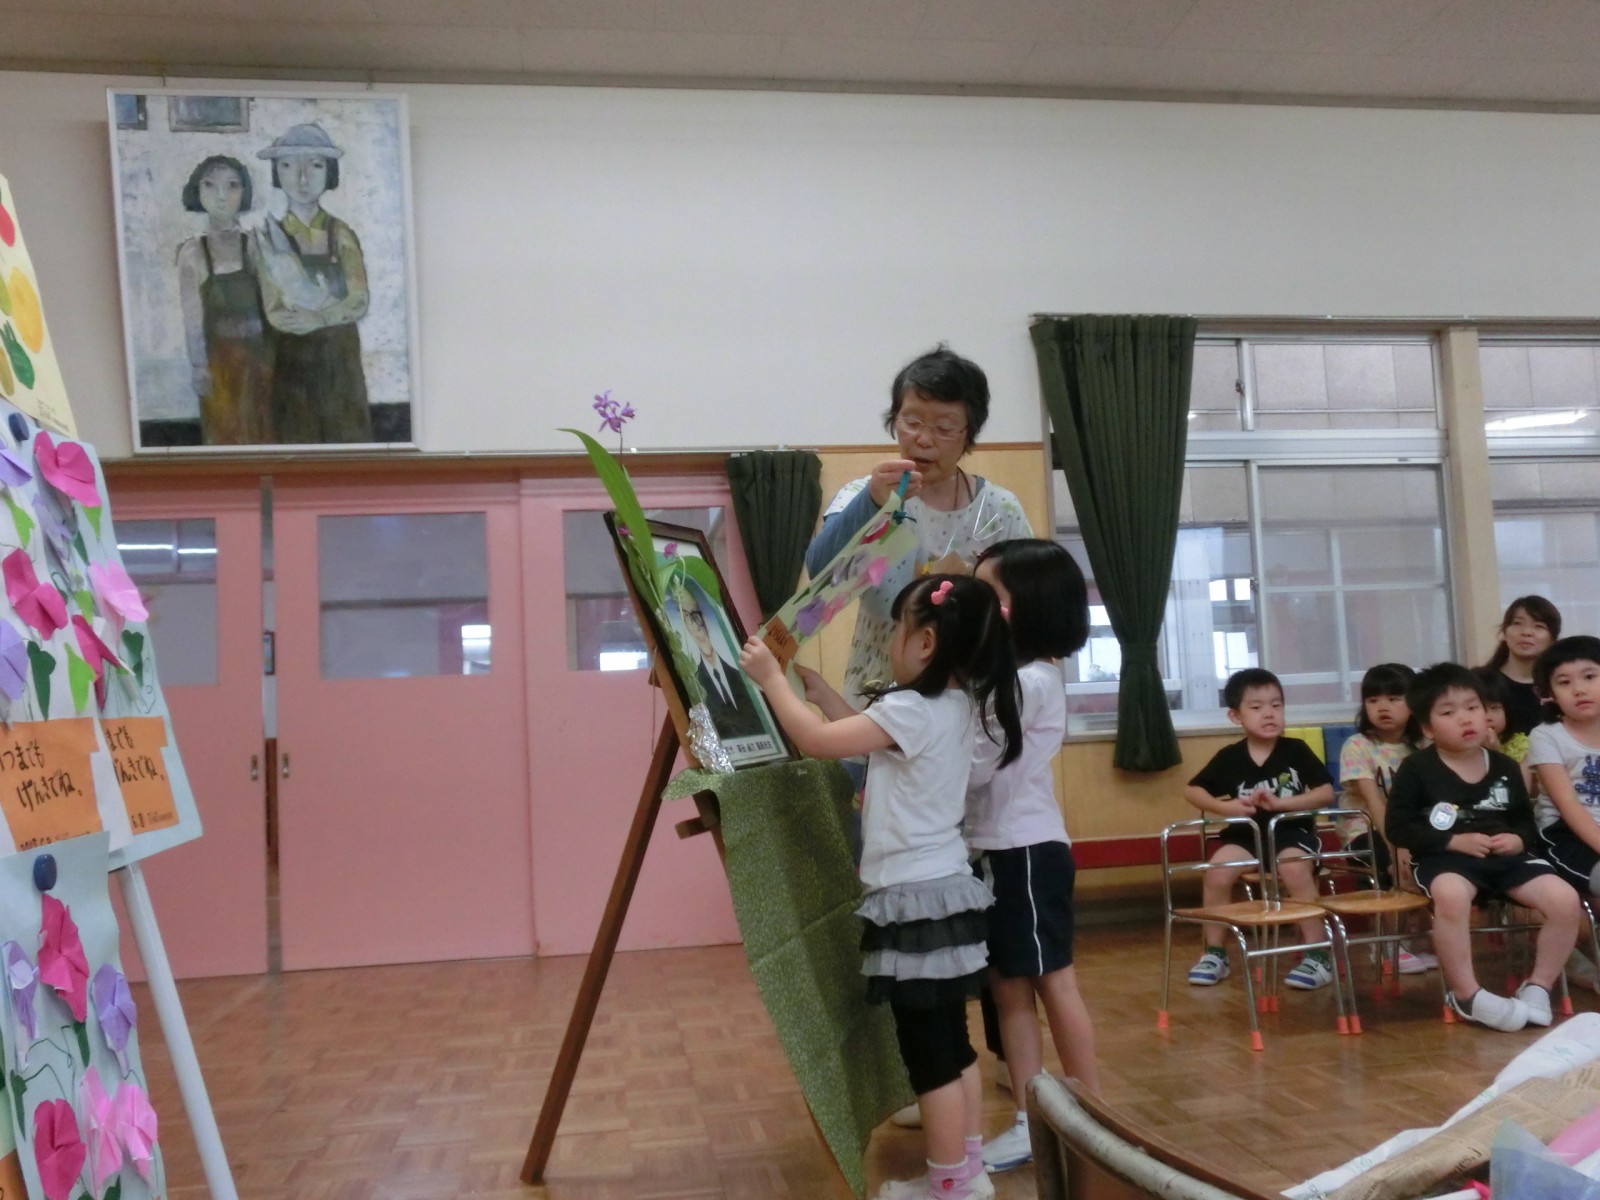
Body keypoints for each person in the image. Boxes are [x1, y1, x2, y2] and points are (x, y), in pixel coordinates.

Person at [740, 574, 1021, 1200]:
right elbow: (877, 744)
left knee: (930, 1059)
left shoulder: (911, 710)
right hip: (947, 896)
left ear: (925, 643)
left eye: (897, 628)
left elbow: (819, 744)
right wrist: (823, 696)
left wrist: (770, 681)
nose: (892, 640)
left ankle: (948, 1185)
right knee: (953, 1046)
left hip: (913, 903)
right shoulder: (953, 708)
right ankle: (967, 1171)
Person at [962, 540, 1098, 1175]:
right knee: (1008, 988)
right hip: (997, 848)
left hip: (1025, 852)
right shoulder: (1005, 678)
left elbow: (975, 766)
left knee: (1053, 983)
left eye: (986, 593)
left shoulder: (1030, 682)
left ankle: (1091, 1118)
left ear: (1024, 607)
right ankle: (1028, 1117)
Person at [805, 347, 1032, 711]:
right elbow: (820, 574)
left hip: (970, 706)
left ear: (968, 434)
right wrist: (872, 504)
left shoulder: (999, 509)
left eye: (943, 428)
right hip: (876, 700)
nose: (924, 439)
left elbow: (1029, 606)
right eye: (911, 422)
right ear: (894, 420)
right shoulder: (865, 494)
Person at [1386, 663, 1580, 1031]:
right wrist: (1452, 840)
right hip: (1446, 860)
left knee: (1565, 900)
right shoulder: (1416, 768)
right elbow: (1398, 827)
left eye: (1473, 707)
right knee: (1451, 896)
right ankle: (1466, 995)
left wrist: (1518, 839)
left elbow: (1525, 821)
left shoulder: (1505, 766)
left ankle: (1538, 986)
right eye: (1448, 712)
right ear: (1427, 728)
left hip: (1507, 860)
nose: (1465, 718)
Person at [1183, 668, 1336, 990]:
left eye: (1276, 705)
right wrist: (1228, 808)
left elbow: (1325, 793)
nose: (1269, 713)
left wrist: (1282, 804)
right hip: (1245, 836)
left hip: (1291, 832)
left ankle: (1317, 954)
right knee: (1216, 872)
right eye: (1256, 707)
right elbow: (1192, 790)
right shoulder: (1229, 757)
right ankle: (1214, 953)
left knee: (1294, 869)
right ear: (1235, 716)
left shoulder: (1296, 750)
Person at [253, 122, 373, 443]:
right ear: (276, 173)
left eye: (315, 166)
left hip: (339, 358)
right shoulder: (268, 238)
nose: (302, 178)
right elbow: (272, 307)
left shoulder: (341, 233)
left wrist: (320, 318)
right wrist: (298, 323)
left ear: (330, 172)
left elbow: (359, 299)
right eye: (288, 166)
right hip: (292, 359)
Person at [1337, 662, 1434, 974]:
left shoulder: (1425, 746)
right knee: (1394, 866)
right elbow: (1375, 803)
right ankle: (1387, 946)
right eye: (1373, 699)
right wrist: (1396, 845)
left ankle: (1415, 939)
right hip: (1365, 830)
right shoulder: (1358, 746)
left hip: (1412, 829)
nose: (1382, 707)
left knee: (1431, 864)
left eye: (1394, 699)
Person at [175, 155, 275, 445]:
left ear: (244, 192)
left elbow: (272, 304)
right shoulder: (192, 253)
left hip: (260, 361)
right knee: (225, 436)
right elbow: (192, 317)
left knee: (264, 434)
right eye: (210, 185)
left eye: (232, 185)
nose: (221, 196)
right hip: (219, 366)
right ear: (197, 191)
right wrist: (198, 366)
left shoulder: (254, 245)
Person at [671, 579, 766, 742]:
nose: (695, 626)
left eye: (696, 615)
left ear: (706, 618)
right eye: (686, 617)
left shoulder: (743, 675)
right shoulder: (694, 684)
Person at [1480, 596, 1561, 739]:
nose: (1526, 632)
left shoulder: (1560, 685)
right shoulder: (1480, 682)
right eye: (1517, 623)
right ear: (1504, 632)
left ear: (1553, 639)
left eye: (1539, 626)